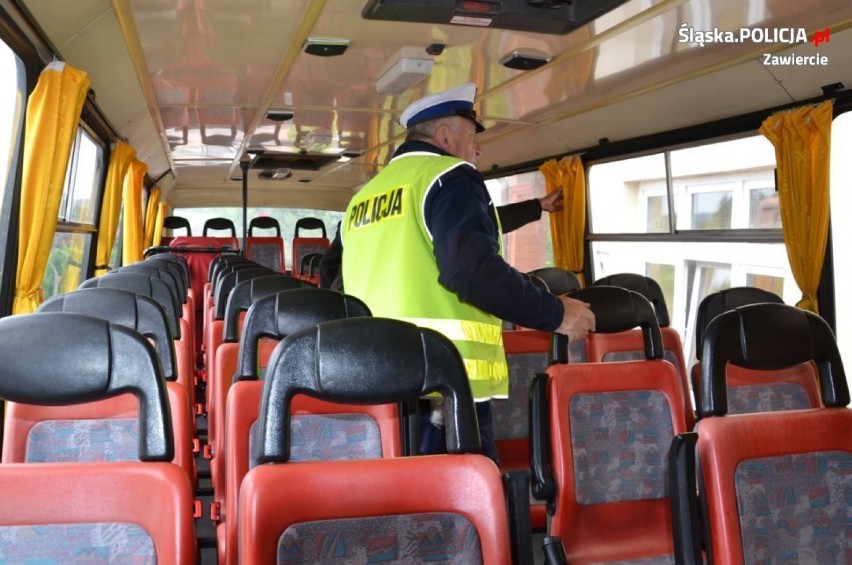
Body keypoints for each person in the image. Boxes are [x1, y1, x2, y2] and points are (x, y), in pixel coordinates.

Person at [340, 82, 595, 461]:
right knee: (464, 507)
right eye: (472, 136)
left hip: (378, 382)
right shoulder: (449, 176)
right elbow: (470, 271)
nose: (476, 149)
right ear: (445, 136)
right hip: (445, 384)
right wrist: (555, 312)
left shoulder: (365, 197)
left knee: (407, 504)